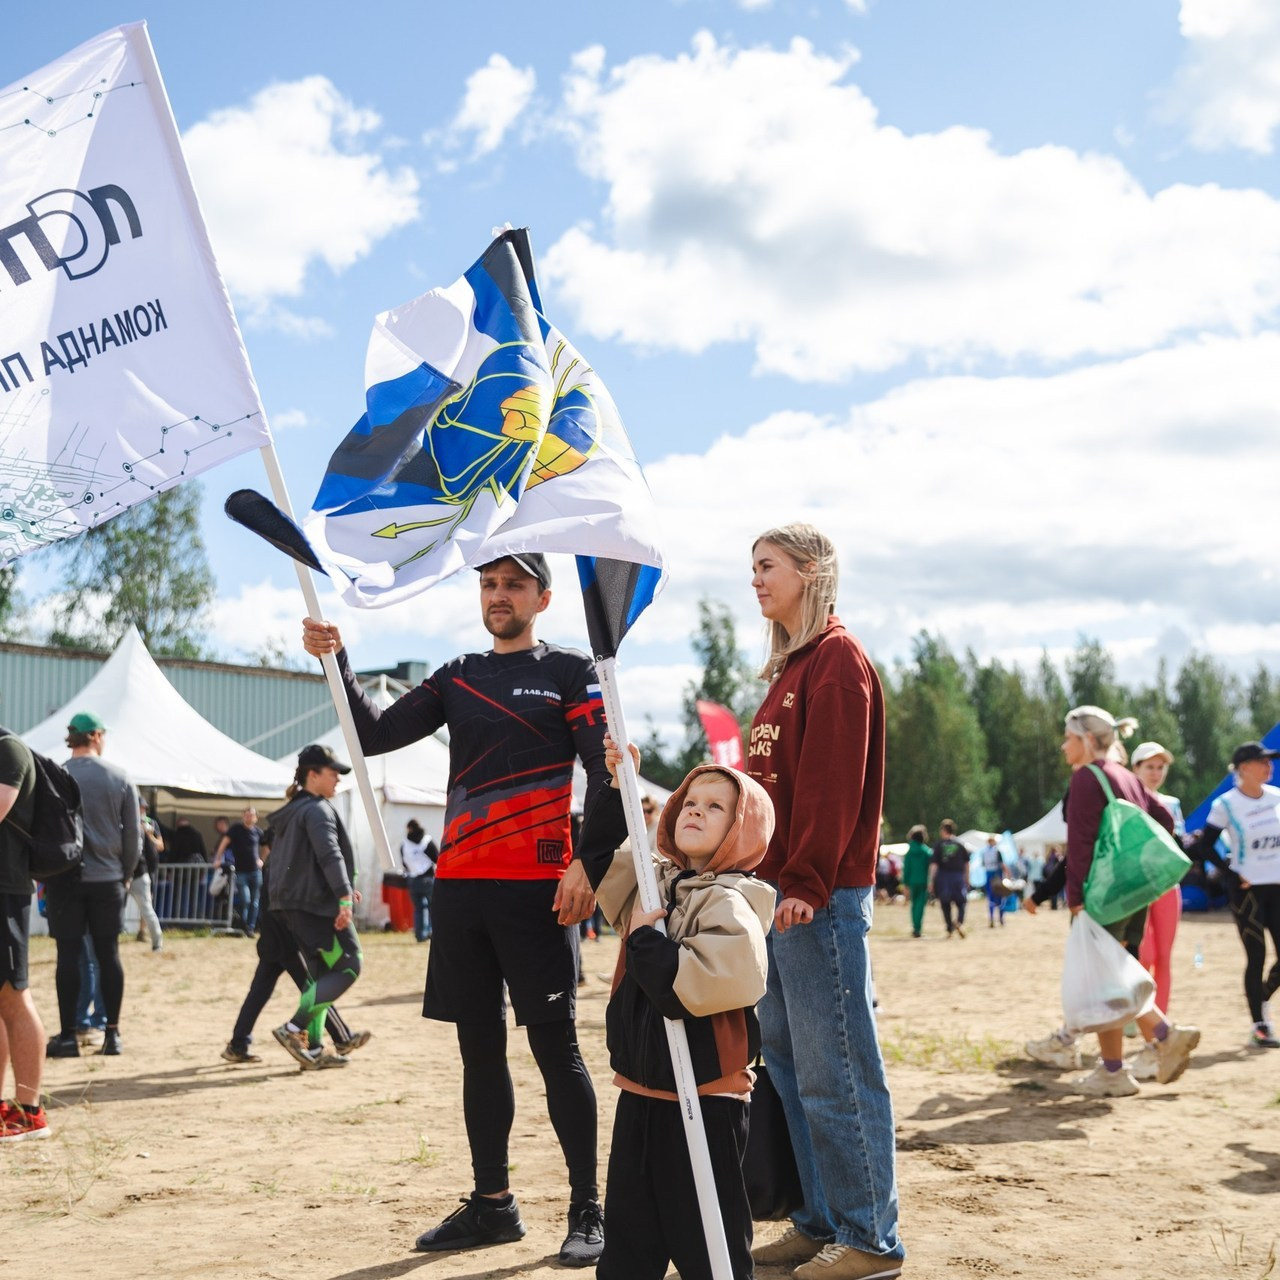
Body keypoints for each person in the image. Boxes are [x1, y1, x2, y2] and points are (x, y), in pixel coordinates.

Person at [301, 550, 608, 1267]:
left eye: (514, 585)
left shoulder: (571, 672)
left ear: (543, 596)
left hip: (540, 892)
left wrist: (590, 862)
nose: (499, 595)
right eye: (490, 584)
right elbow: (374, 734)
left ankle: (589, 1208)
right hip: (462, 887)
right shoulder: (458, 675)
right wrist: (338, 662)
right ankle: (493, 1205)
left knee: (555, 1048)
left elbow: (605, 770)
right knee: (478, 1051)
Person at [745, 524, 904, 1280]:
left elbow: (831, 786)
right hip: (778, 894)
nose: (755, 581)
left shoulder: (837, 660)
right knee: (787, 1067)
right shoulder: (787, 668)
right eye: (752, 569)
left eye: (766, 566)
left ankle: (870, 1237)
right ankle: (818, 1221)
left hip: (819, 896)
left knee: (836, 1071)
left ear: (809, 572)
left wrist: (805, 883)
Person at [578, 739, 775, 1280]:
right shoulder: (656, 880)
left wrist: (644, 938)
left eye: (716, 807)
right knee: (628, 1241)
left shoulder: (733, 902)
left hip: (705, 1099)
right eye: (691, 800)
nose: (695, 809)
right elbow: (599, 861)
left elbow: (688, 989)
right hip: (642, 1090)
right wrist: (620, 785)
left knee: (708, 1241)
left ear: (741, 830)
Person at [1055, 706, 1199, 1097]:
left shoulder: (1088, 777)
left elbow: (1080, 844)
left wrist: (1075, 897)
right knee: (1111, 977)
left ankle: (1149, 1046)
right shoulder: (1125, 777)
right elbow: (1164, 821)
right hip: (1132, 894)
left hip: (1101, 895)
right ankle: (1127, 1061)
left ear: (1086, 740)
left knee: (1103, 980)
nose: (1064, 745)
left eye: (1068, 738)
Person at [223, 803, 371, 1067]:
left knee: (261, 994)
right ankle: (333, 1041)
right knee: (318, 989)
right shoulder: (283, 865)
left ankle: (238, 1044)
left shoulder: (278, 864)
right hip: (288, 943)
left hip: (273, 941)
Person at [44, 712, 140, 1059]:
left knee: (67, 955)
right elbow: (134, 834)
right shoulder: (119, 777)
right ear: (96, 736)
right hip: (108, 879)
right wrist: (125, 873)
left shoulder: (55, 775)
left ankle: (69, 1035)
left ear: (73, 739)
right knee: (108, 954)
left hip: (65, 879)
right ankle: (111, 1034)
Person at [266, 744, 363, 1070]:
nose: (337, 778)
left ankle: (316, 1048)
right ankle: (293, 1029)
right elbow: (329, 855)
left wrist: (345, 888)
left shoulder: (294, 809)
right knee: (350, 965)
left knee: (319, 976)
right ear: (312, 774)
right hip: (315, 907)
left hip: (292, 905)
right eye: (332, 771)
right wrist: (344, 896)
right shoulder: (317, 810)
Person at [1184, 741, 1280, 1049]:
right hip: (1247, 891)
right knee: (1257, 956)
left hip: (1277, 886)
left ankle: (1260, 998)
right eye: (1262, 761)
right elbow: (1202, 845)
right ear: (1243, 768)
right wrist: (1231, 874)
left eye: (1270, 761)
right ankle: (1259, 1025)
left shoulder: (1278, 797)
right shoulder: (1226, 804)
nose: (1269, 766)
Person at [0, 729, 51, 1140]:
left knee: (15, 996)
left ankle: (30, 1112)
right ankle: (5, 1107)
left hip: (5, 889)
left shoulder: (8, 748)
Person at [1131, 742, 1184, 1028]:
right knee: (1143, 953)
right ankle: (1135, 1011)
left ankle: (1159, 1020)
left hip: (1167, 886)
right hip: (1136, 888)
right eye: (1149, 766)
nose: (1155, 772)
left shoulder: (1172, 803)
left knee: (1163, 956)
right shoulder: (1124, 803)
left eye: (1160, 767)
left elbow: (1178, 847)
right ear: (1134, 769)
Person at [216, 806, 264, 936]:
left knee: (255, 901)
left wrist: (262, 859)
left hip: (255, 872)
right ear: (243, 816)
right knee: (245, 900)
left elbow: (267, 845)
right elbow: (224, 843)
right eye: (246, 814)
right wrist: (218, 858)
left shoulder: (258, 832)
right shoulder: (236, 829)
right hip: (241, 871)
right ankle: (244, 925)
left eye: (251, 815)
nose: (248, 817)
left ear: (256, 818)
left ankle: (250, 928)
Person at [130, 798, 164, 951]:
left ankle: (156, 942)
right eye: (140, 808)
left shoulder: (151, 823)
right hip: (123, 872)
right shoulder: (126, 820)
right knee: (113, 908)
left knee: (147, 906)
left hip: (143, 870)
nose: (142, 811)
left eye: (144, 808)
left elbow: (160, 846)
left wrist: (148, 834)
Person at [930, 819, 970, 940]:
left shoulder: (939, 845)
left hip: (944, 877)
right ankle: (959, 922)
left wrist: (931, 881)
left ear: (943, 830)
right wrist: (967, 878)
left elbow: (934, 865)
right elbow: (967, 864)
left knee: (945, 904)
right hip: (958, 877)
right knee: (961, 902)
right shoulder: (960, 845)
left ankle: (949, 929)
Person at [401, 819, 438, 943]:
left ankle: (420, 935)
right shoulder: (427, 841)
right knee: (433, 907)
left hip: (413, 879)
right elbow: (437, 857)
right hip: (428, 878)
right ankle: (433, 933)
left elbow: (404, 862)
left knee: (419, 908)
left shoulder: (404, 843)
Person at [901, 826, 931, 938]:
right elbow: (930, 868)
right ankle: (918, 929)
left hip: (912, 882)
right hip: (923, 881)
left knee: (913, 905)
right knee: (920, 905)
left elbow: (906, 869)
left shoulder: (909, 852)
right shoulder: (926, 851)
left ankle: (915, 928)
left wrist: (905, 883)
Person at [980, 835, 1008, 928]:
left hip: (988, 876)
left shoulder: (984, 852)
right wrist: (1008, 875)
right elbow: (1002, 865)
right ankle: (1000, 919)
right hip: (997, 876)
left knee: (991, 899)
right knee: (1000, 897)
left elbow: (983, 864)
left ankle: (992, 919)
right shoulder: (997, 851)